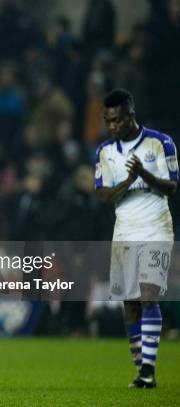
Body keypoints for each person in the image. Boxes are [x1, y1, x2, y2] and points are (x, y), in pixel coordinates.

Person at [94, 89, 177, 388]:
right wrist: (129, 181)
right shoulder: (104, 152)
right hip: (125, 230)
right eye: (108, 121)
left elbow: (172, 187)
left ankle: (148, 371)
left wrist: (144, 173)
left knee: (148, 295)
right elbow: (103, 196)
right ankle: (141, 367)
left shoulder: (161, 142)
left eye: (117, 120)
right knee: (130, 303)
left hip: (156, 227)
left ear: (131, 115)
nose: (112, 126)